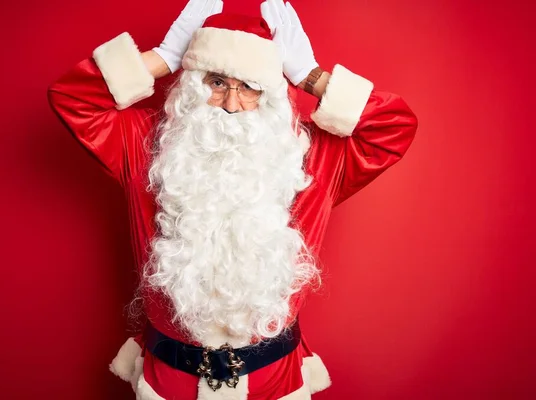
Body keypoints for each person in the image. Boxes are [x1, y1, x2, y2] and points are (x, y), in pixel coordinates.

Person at [48, 0, 418, 398]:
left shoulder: (306, 156)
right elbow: (74, 98)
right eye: (218, 82)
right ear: (194, 83)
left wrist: (310, 76)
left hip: (274, 382)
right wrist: (163, 58)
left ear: (272, 94)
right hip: (169, 382)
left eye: (249, 87)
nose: (230, 104)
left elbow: (393, 125)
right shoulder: (146, 144)